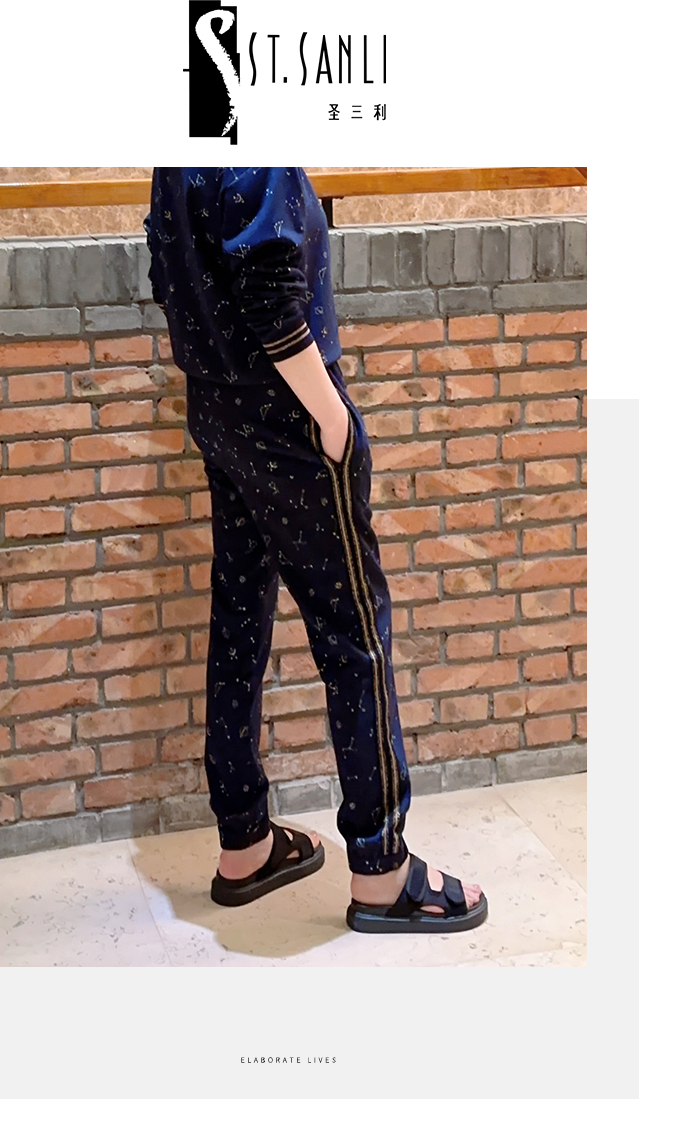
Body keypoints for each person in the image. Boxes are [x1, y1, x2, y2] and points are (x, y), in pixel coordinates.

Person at [144, 167, 487, 933]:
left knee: (240, 616)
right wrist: (334, 420)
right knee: (355, 634)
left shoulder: (184, 137)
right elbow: (271, 298)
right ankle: (383, 870)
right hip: (290, 419)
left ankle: (245, 842)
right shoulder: (254, 141)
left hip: (218, 409)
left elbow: (168, 272)